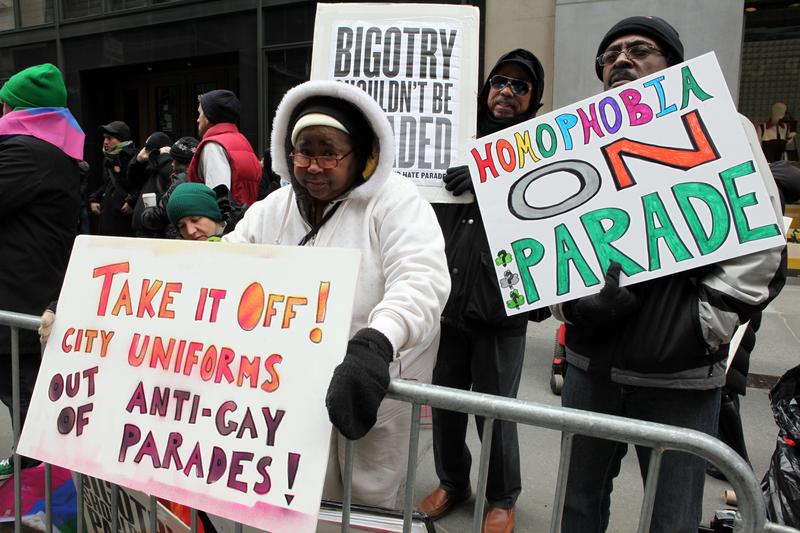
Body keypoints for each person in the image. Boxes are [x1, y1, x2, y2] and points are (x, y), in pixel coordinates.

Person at [550, 16, 787, 533]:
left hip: (678, 378)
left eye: (640, 49)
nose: (621, 59)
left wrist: (701, 325)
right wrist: (574, 308)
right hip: (591, 369)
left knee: (671, 516)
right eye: (610, 54)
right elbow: (549, 253)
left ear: (673, 66)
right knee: (576, 505)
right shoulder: (572, 143)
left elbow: (763, 247)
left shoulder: (725, 124)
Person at [224, 80, 449, 507]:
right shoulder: (275, 208)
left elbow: (422, 279)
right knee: (308, 487)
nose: (313, 165)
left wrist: (377, 342)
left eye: (329, 151)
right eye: (304, 150)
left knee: (370, 497)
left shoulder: (397, 201)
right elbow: (228, 261)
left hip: (378, 380)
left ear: (361, 154)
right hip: (296, 381)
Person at [418, 48, 546, 533]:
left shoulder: (542, 148)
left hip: (501, 306)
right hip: (446, 300)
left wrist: (490, 181)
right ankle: (453, 482)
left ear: (533, 99)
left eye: (520, 86)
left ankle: (501, 497)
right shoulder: (448, 138)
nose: (506, 92)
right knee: (446, 404)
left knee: (496, 410)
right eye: (499, 81)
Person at [0, 63, 84, 479]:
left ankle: (41, 491)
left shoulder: (27, 153)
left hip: (20, 301)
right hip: (26, 299)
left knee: (30, 407)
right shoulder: (44, 152)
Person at [187, 89, 261, 206]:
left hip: (228, 222)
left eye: (200, 113)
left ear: (208, 117)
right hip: (246, 218)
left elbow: (217, 197)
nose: (197, 119)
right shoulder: (242, 141)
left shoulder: (213, 146)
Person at [141, 136, 199, 238]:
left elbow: (159, 215)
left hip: (179, 236)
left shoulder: (180, 181)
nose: (171, 164)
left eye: (173, 160)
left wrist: (147, 212)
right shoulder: (201, 175)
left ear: (177, 161)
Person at [88, 120, 137, 236]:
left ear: (122, 140)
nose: (105, 142)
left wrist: (132, 202)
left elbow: (143, 187)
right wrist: (94, 198)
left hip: (125, 225)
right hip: (107, 222)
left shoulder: (135, 159)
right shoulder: (108, 159)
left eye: (110, 138)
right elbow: (107, 184)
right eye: (104, 138)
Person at [125, 131, 172, 237]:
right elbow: (132, 180)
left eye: (150, 151)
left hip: (156, 232)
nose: (147, 155)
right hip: (141, 230)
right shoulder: (150, 169)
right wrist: (137, 160)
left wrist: (162, 158)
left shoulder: (168, 168)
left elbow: (168, 175)